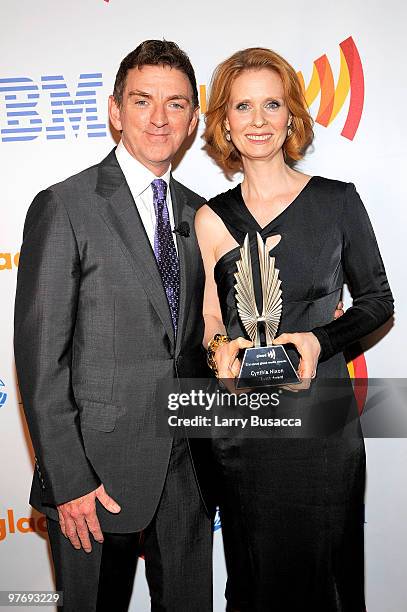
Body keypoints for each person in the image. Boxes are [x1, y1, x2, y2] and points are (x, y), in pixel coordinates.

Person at [14, 40, 213, 612]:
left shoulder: (200, 213)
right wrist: (68, 478)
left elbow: (200, 340)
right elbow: (39, 358)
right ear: (114, 110)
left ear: (193, 119)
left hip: (188, 473)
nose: (158, 118)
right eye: (142, 100)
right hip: (95, 474)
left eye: (176, 104)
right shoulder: (65, 206)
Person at [196, 47, 394, 611]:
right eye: (242, 106)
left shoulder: (337, 201)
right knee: (254, 580)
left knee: (325, 583)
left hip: (322, 427)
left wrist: (320, 339)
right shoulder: (211, 217)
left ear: (291, 117)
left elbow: (378, 301)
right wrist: (220, 352)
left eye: (272, 104)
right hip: (244, 432)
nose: (258, 120)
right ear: (225, 124)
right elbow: (210, 317)